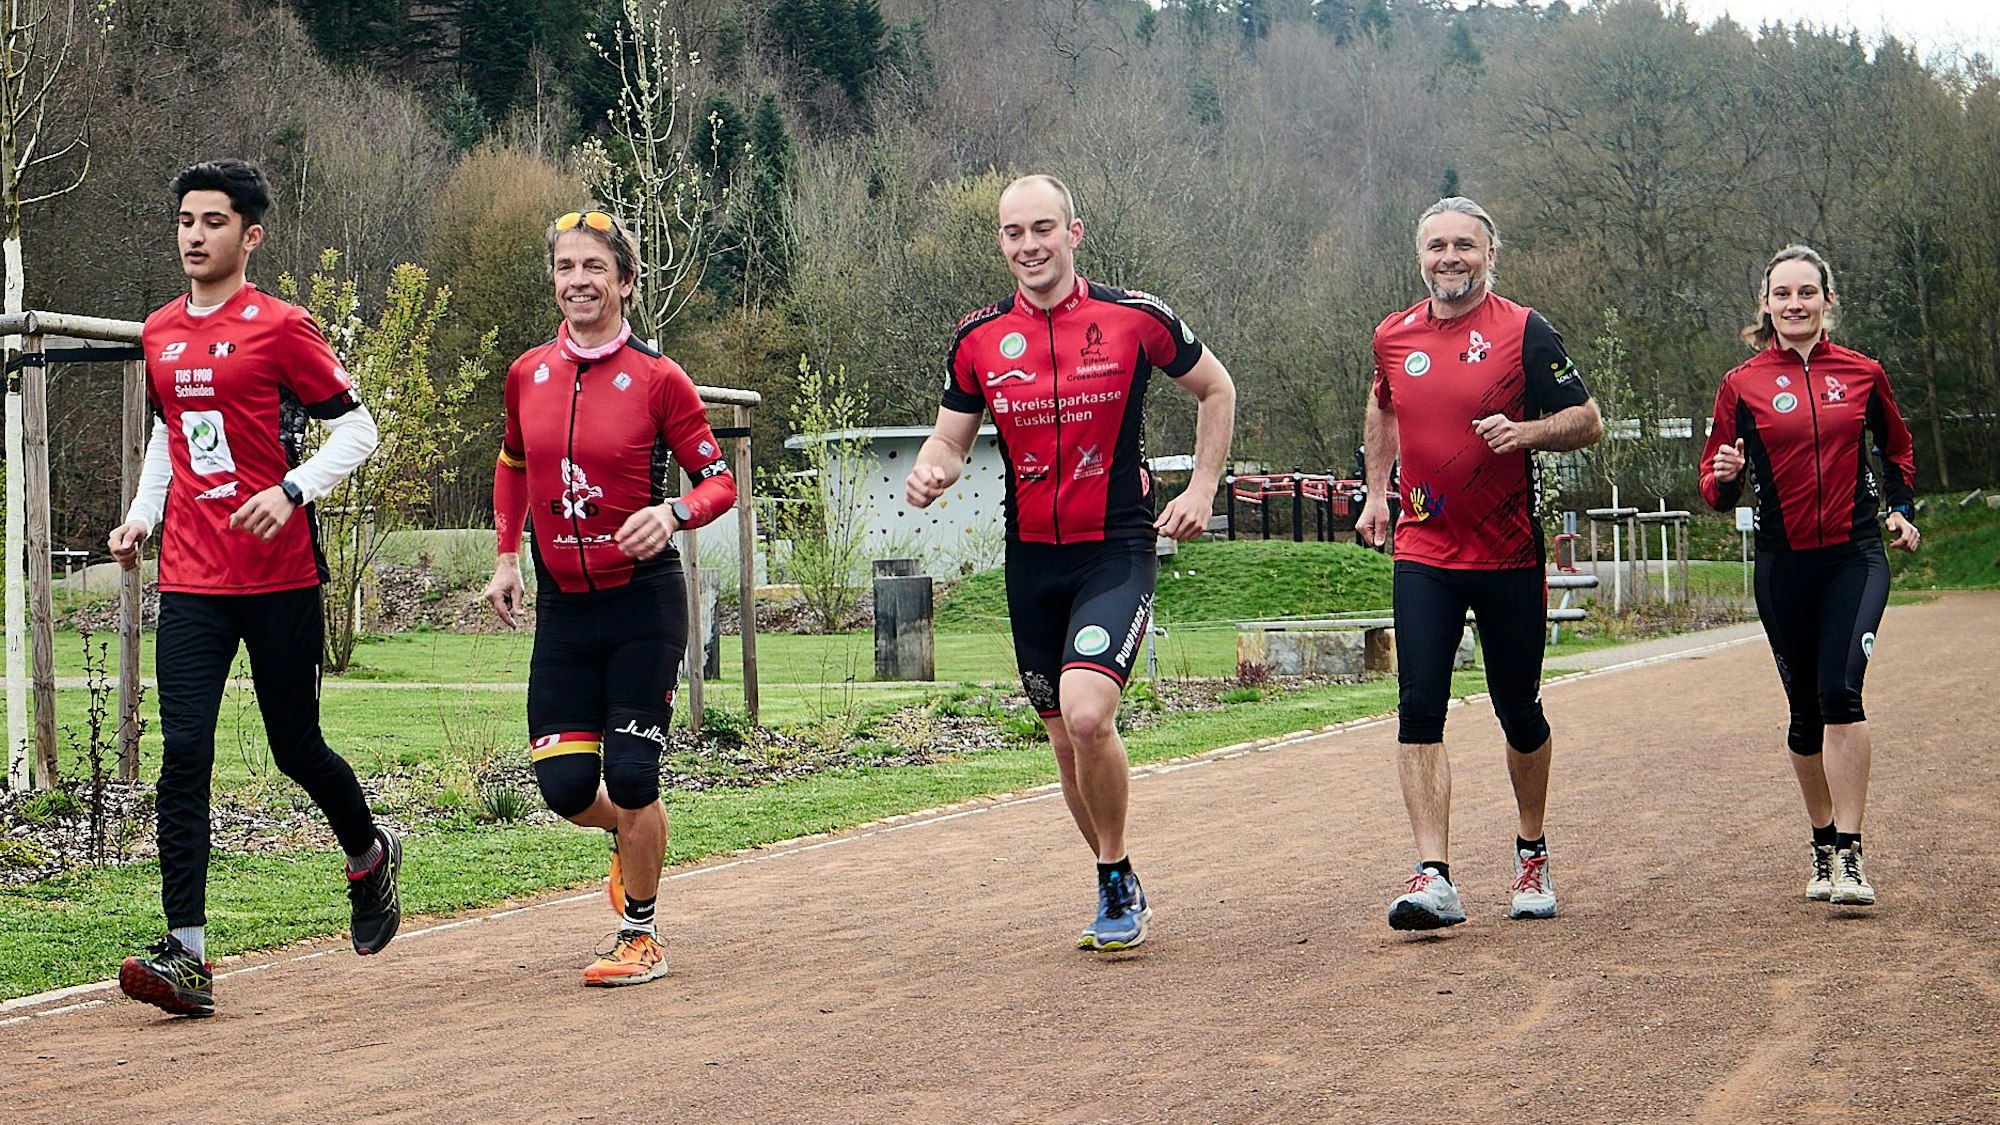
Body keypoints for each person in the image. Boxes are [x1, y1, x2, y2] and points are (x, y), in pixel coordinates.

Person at [906, 174, 1236, 951]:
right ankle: (1115, 877)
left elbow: (1215, 388)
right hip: (1031, 563)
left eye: (1043, 228)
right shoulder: (979, 337)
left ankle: (1114, 875)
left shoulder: (1133, 317)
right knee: (1063, 738)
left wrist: (1204, 488)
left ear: (1074, 232)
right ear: (1001, 242)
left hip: (1115, 551)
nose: (1029, 245)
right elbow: (950, 439)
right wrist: (932, 468)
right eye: (1015, 233)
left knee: (1090, 715)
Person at [106, 160, 400, 1017]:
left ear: (251, 235)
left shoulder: (282, 328)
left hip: (279, 578)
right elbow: (171, 436)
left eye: (213, 221)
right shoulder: (158, 331)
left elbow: (360, 430)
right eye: (185, 221)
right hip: (192, 578)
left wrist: (292, 489)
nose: (195, 235)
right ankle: (187, 954)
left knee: (295, 748)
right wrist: (140, 516)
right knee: (184, 753)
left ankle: (368, 852)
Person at [482, 208, 736, 986]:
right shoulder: (527, 373)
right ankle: (630, 841)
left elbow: (718, 481)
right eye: (566, 267)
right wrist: (504, 558)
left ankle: (641, 931)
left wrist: (673, 512)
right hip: (563, 607)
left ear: (625, 281)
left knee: (632, 778)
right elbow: (513, 465)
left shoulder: (661, 379)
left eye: (594, 267)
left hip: (641, 604)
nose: (578, 281)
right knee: (565, 788)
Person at [1356, 196, 1603, 931]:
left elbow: (1588, 419)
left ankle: (1531, 850)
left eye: (1465, 244)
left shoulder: (1524, 330)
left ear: (1490, 255)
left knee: (1518, 712)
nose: (1450, 257)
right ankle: (1434, 875)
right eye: (1437, 245)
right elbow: (1383, 407)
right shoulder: (1394, 335)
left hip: (1507, 552)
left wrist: (1526, 431)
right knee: (1418, 709)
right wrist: (1376, 493)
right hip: (1425, 549)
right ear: (1420, 256)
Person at [1699, 244, 1918, 908]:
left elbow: (1897, 446)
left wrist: (1902, 510)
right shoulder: (1742, 383)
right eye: (1782, 293)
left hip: (1855, 555)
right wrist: (1725, 478)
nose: (1795, 304)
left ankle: (1850, 854)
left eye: (1806, 292)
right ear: (1766, 305)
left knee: (1841, 692)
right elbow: (1713, 482)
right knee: (1803, 716)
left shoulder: (1863, 373)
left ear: (1828, 299)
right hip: (1782, 563)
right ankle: (1822, 839)